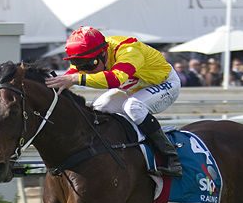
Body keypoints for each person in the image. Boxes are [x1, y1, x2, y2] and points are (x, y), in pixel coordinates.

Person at [45, 26, 182, 177]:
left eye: (90, 65)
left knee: (133, 107)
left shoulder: (128, 50)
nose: (87, 70)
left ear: (104, 52)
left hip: (163, 84)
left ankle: (171, 157)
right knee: (99, 108)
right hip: (134, 87)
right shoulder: (89, 55)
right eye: (80, 65)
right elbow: (68, 77)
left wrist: (76, 78)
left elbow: (115, 80)